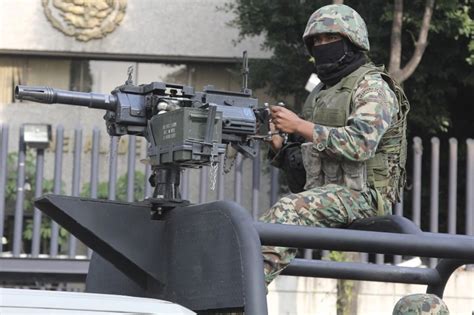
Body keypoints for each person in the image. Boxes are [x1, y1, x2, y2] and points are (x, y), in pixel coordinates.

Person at [260, 4, 410, 285]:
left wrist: (299, 126)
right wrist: (281, 145)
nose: (321, 45)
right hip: (329, 192)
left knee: (287, 211)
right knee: (253, 226)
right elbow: (308, 164)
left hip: (364, 197)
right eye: (316, 41)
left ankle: (245, 294)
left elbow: (361, 144)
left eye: (330, 39)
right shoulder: (321, 92)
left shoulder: (372, 87)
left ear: (352, 43)